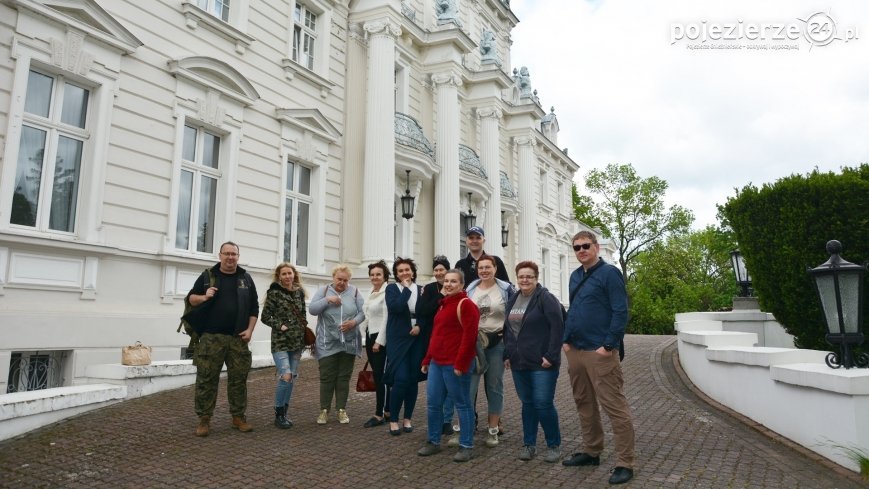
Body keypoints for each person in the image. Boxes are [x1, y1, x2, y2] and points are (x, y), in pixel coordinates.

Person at [562, 231, 635, 485]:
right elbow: (575, 310)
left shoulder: (609, 273)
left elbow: (620, 310)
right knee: (584, 403)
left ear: (596, 247)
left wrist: (609, 345)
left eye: (585, 246)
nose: (581, 250)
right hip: (576, 350)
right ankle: (592, 451)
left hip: (600, 351)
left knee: (614, 406)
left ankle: (625, 462)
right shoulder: (574, 276)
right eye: (576, 247)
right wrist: (566, 340)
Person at [188, 241, 258, 437]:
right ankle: (204, 420)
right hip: (211, 338)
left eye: (233, 254)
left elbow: (254, 308)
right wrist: (204, 297)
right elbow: (191, 299)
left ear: (238, 256)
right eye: (226, 254)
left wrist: (250, 330)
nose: (230, 257)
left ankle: (238, 417)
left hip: (238, 338)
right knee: (206, 379)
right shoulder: (207, 276)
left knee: (238, 380)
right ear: (219, 256)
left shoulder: (246, 278)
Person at [503, 261, 564, 463]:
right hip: (519, 363)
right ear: (517, 278)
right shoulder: (513, 300)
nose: (525, 280)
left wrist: (551, 356)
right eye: (521, 276)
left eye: (529, 276)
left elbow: (558, 328)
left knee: (543, 404)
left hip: (542, 363)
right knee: (527, 404)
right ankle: (529, 445)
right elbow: (508, 331)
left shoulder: (546, 298)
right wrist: (507, 354)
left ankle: (553, 445)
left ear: (536, 278)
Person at [417, 269, 480, 463]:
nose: (448, 284)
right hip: (437, 362)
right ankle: (433, 441)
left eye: (453, 281)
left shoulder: (466, 304)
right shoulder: (443, 305)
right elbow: (436, 335)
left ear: (462, 285)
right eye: (446, 281)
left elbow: (469, 338)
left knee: (462, 404)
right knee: (433, 404)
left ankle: (466, 445)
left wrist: (461, 363)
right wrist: (427, 359)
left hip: (455, 364)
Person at [461, 254, 513, 448]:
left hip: (497, 343)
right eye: (481, 267)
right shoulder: (470, 289)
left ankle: (492, 430)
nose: (484, 271)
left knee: (494, 387)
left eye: (488, 267)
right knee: (469, 387)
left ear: (495, 269)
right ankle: (465, 429)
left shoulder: (506, 289)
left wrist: (509, 348)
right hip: (474, 344)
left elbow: (512, 320)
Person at [309, 265, 364, 425]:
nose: (342, 283)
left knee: (343, 378)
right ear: (333, 277)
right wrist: (327, 300)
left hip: (348, 343)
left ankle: (341, 410)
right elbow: (312, 309)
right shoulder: (324, 291)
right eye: (339, 279)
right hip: (327, 342)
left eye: (345, 280)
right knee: (327, 377)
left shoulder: (354, 292)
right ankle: (324, 411)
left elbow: (362, 312)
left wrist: (353, 322)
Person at [376, 257, 422, 436]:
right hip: (398, 338)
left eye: (407, 270)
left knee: (412, 379)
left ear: (413, 271)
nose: (405, 273)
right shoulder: (392, 289)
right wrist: (406, 289)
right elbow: (395, 307)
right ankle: (394, 419)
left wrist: (420, 326)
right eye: (401, 271)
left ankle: (407, 418)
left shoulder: (421, 289)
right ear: (396, 274)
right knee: (401, 379)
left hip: (417, 337)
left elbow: (425, 313)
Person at [260, 262, 308, 429]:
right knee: (286, 375)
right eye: (284, 274)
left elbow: (303, 314)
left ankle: (284, 412)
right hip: (280, 342)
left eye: (290, 273)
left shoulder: (299, 293)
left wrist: (303, 331)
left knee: (292, 378)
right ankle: (278, 413)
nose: (288, 276)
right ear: (279, 276)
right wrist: (280, 325)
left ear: (294, 274)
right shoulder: (274, 293)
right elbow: (265, 316)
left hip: (296, 342)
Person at [415, 255, 451, 435]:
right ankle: (438, 419)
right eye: (436, 270)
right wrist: (440, 295)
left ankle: (447, 419)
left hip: (450, 339)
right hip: (432, 338)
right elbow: (422, 310)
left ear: (447, 270)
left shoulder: (454, 286)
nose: (438, 273)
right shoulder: (429, 289)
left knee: (450, 382)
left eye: (441, 269)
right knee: (435, 382)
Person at [360, 260, 390, 428]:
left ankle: (379, 414)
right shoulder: (373, 291)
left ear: (385, 275)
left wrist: (379, 342)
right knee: (380, 376)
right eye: (372, 274)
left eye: (378, 274)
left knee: (380, 377)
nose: (374, 277)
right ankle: (387, 411)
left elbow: (386, 318)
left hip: (380, 338)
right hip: (371, 336)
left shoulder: (387, 292)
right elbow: (367, 316)